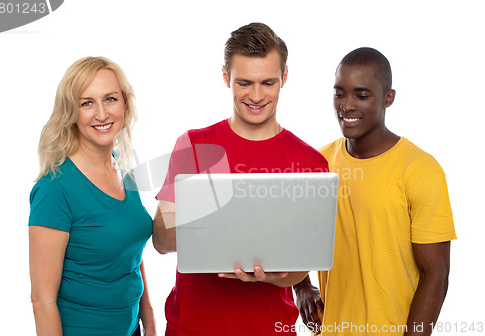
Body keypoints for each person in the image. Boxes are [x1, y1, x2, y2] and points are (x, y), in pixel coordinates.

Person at [152, 22, 329, 335]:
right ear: (225, 77)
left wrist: (272, 276)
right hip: (192, 328)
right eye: (244, 82)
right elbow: (161, 241)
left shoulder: (310, 163)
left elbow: (300, 269)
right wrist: (215, 220)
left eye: (268, 83)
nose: (257, 96)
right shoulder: (194, 145)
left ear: (284, 78)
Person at [294, 47, 457, 336]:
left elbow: (436, 276)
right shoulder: (317, 164)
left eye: (362, 95)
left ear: (388, 98)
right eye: (339, 93)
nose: (346, 105)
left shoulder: (421, 170)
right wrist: (302, 286)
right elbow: (288, 235)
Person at [28, 57, 156, 336]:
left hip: (131, 328)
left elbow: (129, 250)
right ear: (71, 113)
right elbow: (42, 301)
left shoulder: (122, 168)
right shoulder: (54, 188)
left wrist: (149, 321)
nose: (101, 114)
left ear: (125, 104)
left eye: (110, 99)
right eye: (87, 103)